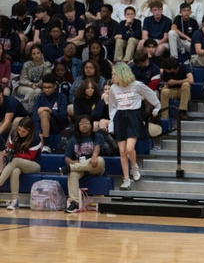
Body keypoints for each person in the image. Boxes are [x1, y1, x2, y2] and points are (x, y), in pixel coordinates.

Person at [108, 62, 159, 190]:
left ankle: (134, 167)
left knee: (129, 149)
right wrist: (111, 123)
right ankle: (126, 179)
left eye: (114, 74)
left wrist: (157, 106)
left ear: (121, 74)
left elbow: (150, 94)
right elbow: (113, 106)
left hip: (133, 116)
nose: (112, 76)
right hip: (120, 117)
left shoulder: (136, 85)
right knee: (122, 151)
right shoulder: (113, 88)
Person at [0, 116, 43, 209]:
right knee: (15, 171)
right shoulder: (14, 134)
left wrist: (14, 154)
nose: (20, 133)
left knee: (15, 160)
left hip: (33, 165)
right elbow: (9, 147)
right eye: (19, 130)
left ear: (29, 131)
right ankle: (15, 201)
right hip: (17, 164)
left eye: (23, 131)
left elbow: (30, 157)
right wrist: (7, 151)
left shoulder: (35, 138)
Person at [62, 115, 107, 213]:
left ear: (91, 125)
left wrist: (94, 156)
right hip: (80, 168)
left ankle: (71, 168)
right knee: (73, 173)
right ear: (77, 125)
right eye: (81, 123)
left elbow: (97, 148)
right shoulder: (73, 140)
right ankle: (74, 203)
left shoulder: (98, 136)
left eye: (87, 123)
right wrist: (73, 163)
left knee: (100, 160)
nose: (84, 125)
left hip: (94, 166)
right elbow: (67, 158)